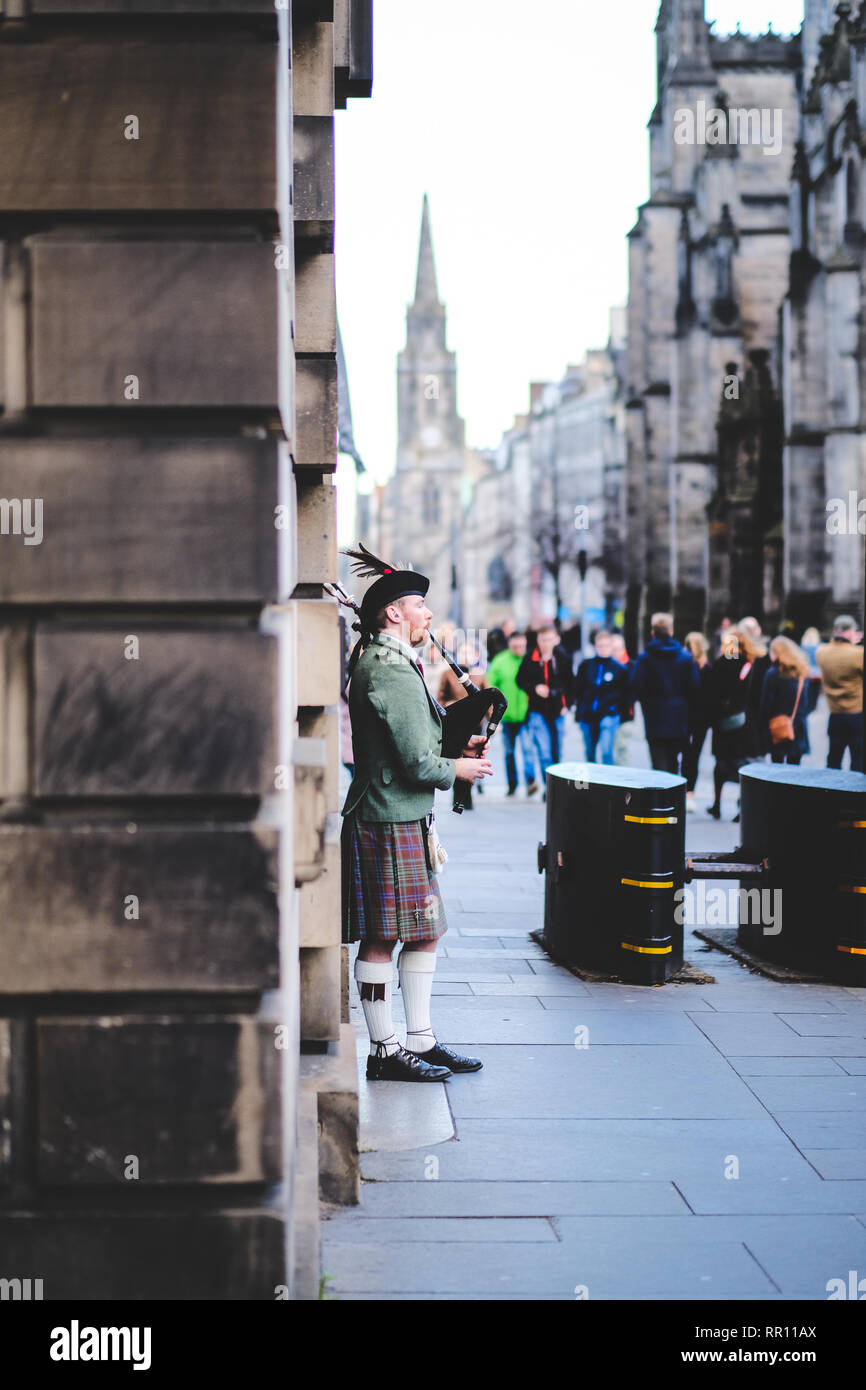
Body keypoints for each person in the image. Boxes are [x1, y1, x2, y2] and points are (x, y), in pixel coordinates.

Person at [340, 545, 491, 1083]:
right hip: (386, 816)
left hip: (401, 815)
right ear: (393, 614)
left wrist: (456, 748)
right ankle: (384, 1050)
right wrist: (459, 771)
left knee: (425, 930)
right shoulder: (389, 670)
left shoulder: (392, 663)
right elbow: (414, 761)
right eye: (420, 606)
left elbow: (415, 742)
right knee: (382, 935)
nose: (429, 615)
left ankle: (420, 1040)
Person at [705, 625, 764, 820]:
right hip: (746, 721)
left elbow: (712, 692)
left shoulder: (724, 662)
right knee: (744, 765)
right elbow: (757, 696)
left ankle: (717, 803)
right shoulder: (752, 664)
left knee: (721, 764)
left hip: (723, 721)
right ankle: (742, 806)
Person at [630, 612, 700, 774]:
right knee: (674, 761)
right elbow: (694, 686)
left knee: (658, 762)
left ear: (652, 632)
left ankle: (659, 798)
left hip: (654, 716)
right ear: (671, 631)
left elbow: (635, 685)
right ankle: (673, 798)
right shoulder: (685, 657)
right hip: (679, 716)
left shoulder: (645, 658)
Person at [517, 624, 573, 785]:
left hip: (558, 709)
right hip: (537, 710)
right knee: (544, 751)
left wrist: (567, 705)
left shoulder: (563, 658)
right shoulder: (530, 657)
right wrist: (534, 688)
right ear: (537, 640)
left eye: (549, 639)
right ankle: (548, 787)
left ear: (556, 640)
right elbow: (520, 680)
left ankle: (558, 786)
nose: (545, 643)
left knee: (557, 750)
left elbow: (571, 684)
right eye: (542, 640)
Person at [438, 643, 490, 811]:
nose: (466, 656)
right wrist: (447, 705)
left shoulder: (479, 675)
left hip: (475, 725)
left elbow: (488, 698)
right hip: (455, 724)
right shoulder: (447, 674)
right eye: (463, 652)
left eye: (470, 652)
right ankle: (457, 796)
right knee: (456, 758)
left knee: (471, 760)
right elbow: (440, 697)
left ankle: (467, 796)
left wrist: (495, 721)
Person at [487, 630, 539, 797]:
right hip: (506, 716)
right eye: (515, 646)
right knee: (509, 752)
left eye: (521, 646)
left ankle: (530, 781)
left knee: (527, 748)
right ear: (509, 645)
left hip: (526, 715)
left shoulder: (531, 660)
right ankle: (512, 784)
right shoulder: (500, 661)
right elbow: (490, 686)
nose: (518, 649)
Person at [573, 629, 630, 765]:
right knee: (590, 753)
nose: (603, 649)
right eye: (600, 646)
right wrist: (578, 713)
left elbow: (626, 695)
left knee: (606, 750)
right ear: (595, 646)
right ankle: (591, 782)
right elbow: (578, 690)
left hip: (609, 714)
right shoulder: (586, 666)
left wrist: (621, 714)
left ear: (611, 647)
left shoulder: (620, 669)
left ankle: (606, 783)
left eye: (606, 646)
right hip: (587, 714)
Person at [759, 636, 818, 765]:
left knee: (777, 766)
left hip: (777, 726)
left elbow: (766, 705)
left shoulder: (773, 674)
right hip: (798, 726)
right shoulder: (803, 673)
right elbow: (808, 703)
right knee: (794, 769)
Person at [816, 616, 863, 771]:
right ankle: (854, 794)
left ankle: (832, 792)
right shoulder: (858, 654)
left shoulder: (822, 651)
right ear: (850, 632)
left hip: (835, 713)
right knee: (858, 758)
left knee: (834, 758)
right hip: (855, 714)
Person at [681, 632, 712, 804]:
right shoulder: (703, 668)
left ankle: (688, 792)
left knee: (689, 756)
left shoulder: (702, 668)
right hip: (696, 719)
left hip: (694, 718)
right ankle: (688, 792)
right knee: (691, 756)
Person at [610, 632, 635, 765]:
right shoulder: (607, 665)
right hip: (609, 713)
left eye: (618, 649)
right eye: (613, 649)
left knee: (622, 749)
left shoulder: (631, 666)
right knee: (608, 751)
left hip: (625, 716)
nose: (615, 652)